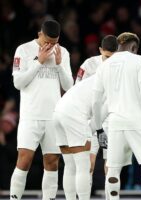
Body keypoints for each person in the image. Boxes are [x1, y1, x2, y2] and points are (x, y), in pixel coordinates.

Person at [92, 32, 141, 200]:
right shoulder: (139, 60)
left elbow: (96, 102)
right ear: (134, 47)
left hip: (114, 122)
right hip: (137, 120)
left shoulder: (104, 66)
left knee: (113, 168)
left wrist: (99, 128)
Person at [10, 19, 73, 200]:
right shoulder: (24, 50)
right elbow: (18, 83)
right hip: (31, 115)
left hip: (53, 116)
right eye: (47, 41)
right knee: (24, 159)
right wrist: (39, 61)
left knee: (52, 162)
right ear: (40, 34)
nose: (50, 45)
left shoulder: (63, 52)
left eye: (53, 42)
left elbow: (69, 86)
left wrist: (59, 64)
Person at [53, 75, 107, 200]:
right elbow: (99, 118)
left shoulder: (96, 77)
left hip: (58, 112)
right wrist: (97, 132)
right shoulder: (113, 84)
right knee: (84, 166)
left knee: (70, 165)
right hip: (75, 115)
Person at [75, 34, 118, 185]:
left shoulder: (121, 67)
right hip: (91, 118)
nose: (109, 60)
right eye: (106, 56)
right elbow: (77, 89)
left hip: (112, 118)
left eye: (113, 57)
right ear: (100, 50)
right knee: (89, 163)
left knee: (111, 166)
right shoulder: (89, 65)